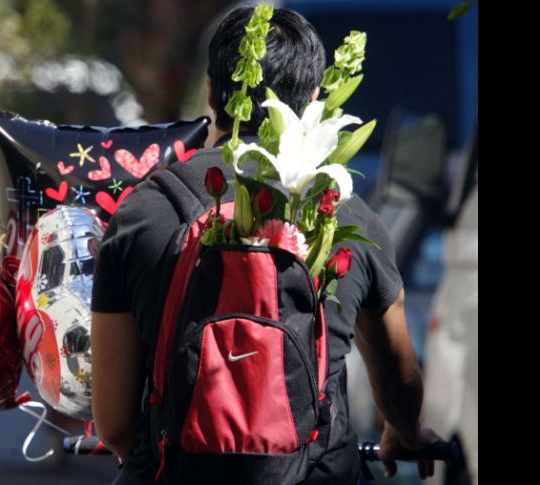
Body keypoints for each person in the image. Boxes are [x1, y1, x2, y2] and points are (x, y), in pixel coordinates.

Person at [91, 6, 441, 484]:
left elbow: (112, 424)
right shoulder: (344, 215)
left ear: (212, 91)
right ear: (315, 98)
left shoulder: (140, 214)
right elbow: (399, 383)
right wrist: (402, 430)